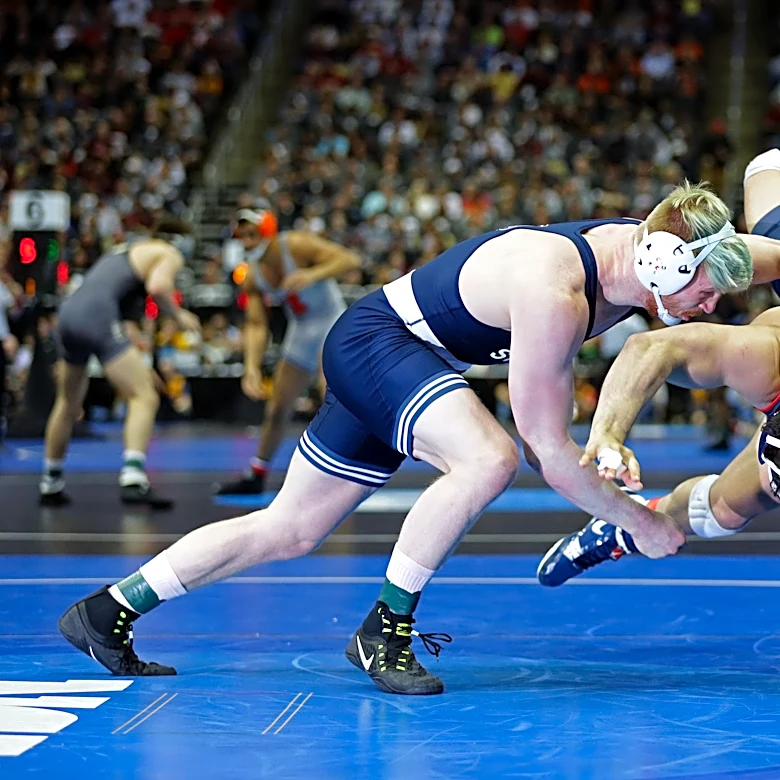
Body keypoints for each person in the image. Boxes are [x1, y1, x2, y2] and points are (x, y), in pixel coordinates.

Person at [60, 181, 769, 695]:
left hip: (387, 349)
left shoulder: (647, 250)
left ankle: (110, 609)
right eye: (706, 293)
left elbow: (755, 253)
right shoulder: (555, 292)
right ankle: (384, 628)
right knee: (487, 458)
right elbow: (547, 452)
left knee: (291, 528)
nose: (709, 309)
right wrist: (636, 520)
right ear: (662, 265)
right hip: (383, 345)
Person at [537, 150, 780, 587]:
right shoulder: (764, 358)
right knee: (728, 506)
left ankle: (615, 531)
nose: (710, 307)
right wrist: (607, 434)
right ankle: (618, 529)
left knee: (725, 508)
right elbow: (652, 349)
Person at [40, 217, 201, 508]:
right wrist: (181, 317)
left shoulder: (126, 249)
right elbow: (159, 286)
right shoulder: (167, 251)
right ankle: (133, 478)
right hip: (97, 316)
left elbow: (113, 295)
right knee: (144, 396)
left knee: (67, 403)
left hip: (69, 313)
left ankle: (50, 481)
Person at [216, 206, 360, 495]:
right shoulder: (253, 276)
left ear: (267, 230)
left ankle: (343, 472)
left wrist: (313, 274)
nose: (246, 242)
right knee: (277, 408)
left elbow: (350, 259)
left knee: (330, 395)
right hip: (301, 330)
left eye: (251, 234)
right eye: (241, 236)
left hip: (331, 322)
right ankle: (256, 473)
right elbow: (257, 326)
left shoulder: (294, 245)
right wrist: (252, 367)